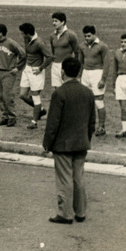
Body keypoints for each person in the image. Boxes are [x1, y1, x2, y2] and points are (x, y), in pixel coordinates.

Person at [43, 57, 95, 225]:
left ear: (62, 71)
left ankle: (65, 214)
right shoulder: (88, 92)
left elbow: (53, 122)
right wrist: (87, 138)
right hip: (81, 142)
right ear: (79, 72)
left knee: (65, 179)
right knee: (78, 177)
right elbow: (92, 122)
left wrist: (47, 143)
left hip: (63, 144)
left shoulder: (59, 93)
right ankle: (80, 212)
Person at [19, 22, 53, 129]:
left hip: (36, 72)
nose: (22, 35)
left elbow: (50, 57)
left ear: (27, 33)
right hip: (27, 70)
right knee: (22, 95)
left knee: (35, 96)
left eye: (23, 33)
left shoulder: (40, 43)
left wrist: (40, 68)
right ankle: (41, 110)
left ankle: (34, 122)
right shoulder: (27, 40)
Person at [0, 24, 26, 127]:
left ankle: (12, 117)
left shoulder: (11, 43)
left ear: (1, 33)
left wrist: (18, 68)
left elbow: (23, 54)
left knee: (7, 96)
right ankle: (4, 116)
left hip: (8, 73)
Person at [77, 26, 110, 137]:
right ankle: (88, 125)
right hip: (86, 74)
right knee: (85, 101)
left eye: (89, 36)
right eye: (85, 36)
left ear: (95, 34)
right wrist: (78, 76)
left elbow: (106, 64)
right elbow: (80, 63)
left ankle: (101, 126)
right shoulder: (82, 46)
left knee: (98, 101)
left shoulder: (102, 46)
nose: (86, 38)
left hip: (97, 73)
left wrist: (103, 79)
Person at [49, 12, 79, 94]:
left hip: (66, 66)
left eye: (56, 21)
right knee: (57, 91)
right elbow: (53, 51)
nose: (53, 23)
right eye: (53, 21)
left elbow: (77, 52)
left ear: (63, 22)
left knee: (68, 90)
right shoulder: (52, 36)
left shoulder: (71, 35)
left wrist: (74, 67)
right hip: (55, 66)